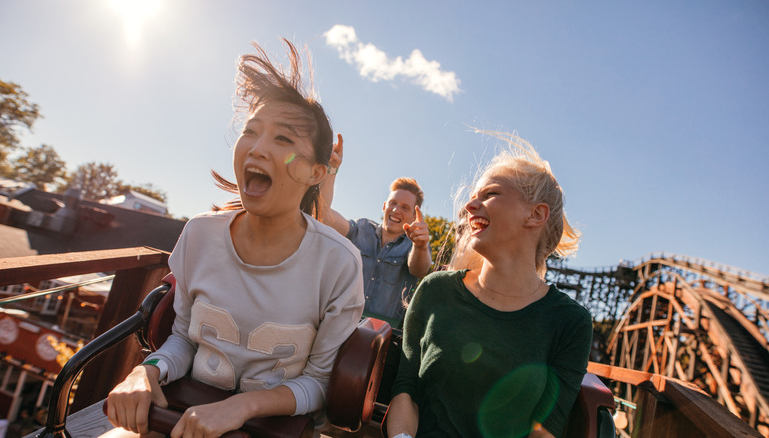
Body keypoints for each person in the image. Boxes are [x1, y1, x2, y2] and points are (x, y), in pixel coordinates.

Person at [102, 39, 364, 438]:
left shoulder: (339, 264)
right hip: (179, 418)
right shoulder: (199, 234)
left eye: (283, 140)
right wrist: (145, 372)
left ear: (316, 173)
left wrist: (241, 407)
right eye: (251, 132)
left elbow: (318, 384)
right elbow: (184, 340)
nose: (257, 148)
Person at [386, 132, 592, 438]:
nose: (470, 205)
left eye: (490, 194)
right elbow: (406, 390)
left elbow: (546, 430)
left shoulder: (570, 322)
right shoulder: (434, 290)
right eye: (473, 196)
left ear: (535, 215)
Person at [319, 136, 432, 328]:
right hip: (337, 323)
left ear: (414, 216)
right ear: (384, 206)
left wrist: (421, 246)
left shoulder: (413, 246)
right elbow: (324, 216)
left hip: (382, 336)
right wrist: (331, 170)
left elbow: (419, 270)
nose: (396, 210)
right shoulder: (361, 228)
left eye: (405, 208)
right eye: (393, 203)